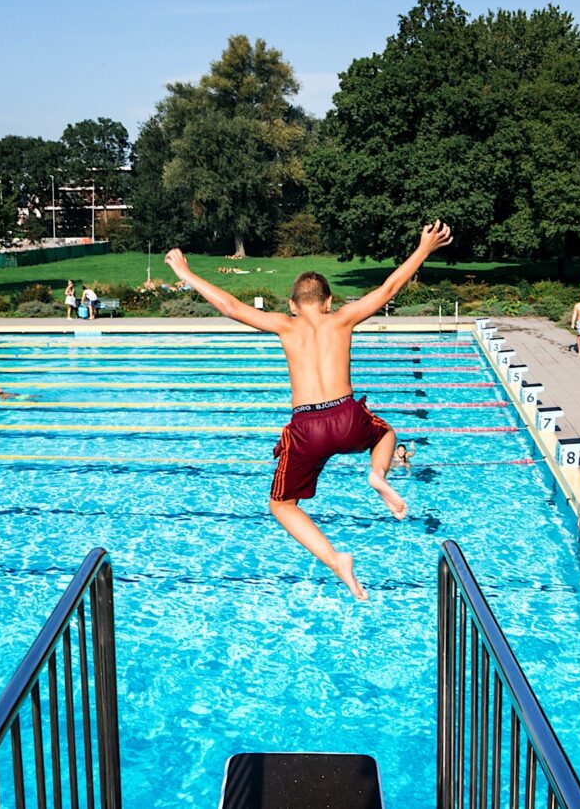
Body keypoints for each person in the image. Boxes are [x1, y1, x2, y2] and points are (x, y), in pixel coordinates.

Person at [164, 220, 454, 600]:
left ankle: (336, 561)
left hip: (307, 428)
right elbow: (389, 287)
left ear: (293, 305)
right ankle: (378, 475)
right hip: (346, 415)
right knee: (385, 434)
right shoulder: (342, 319)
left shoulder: (285, 325)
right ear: (329, 301)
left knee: (282, 505)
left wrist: (184, 271)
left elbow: (229, 307)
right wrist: (423, 249)